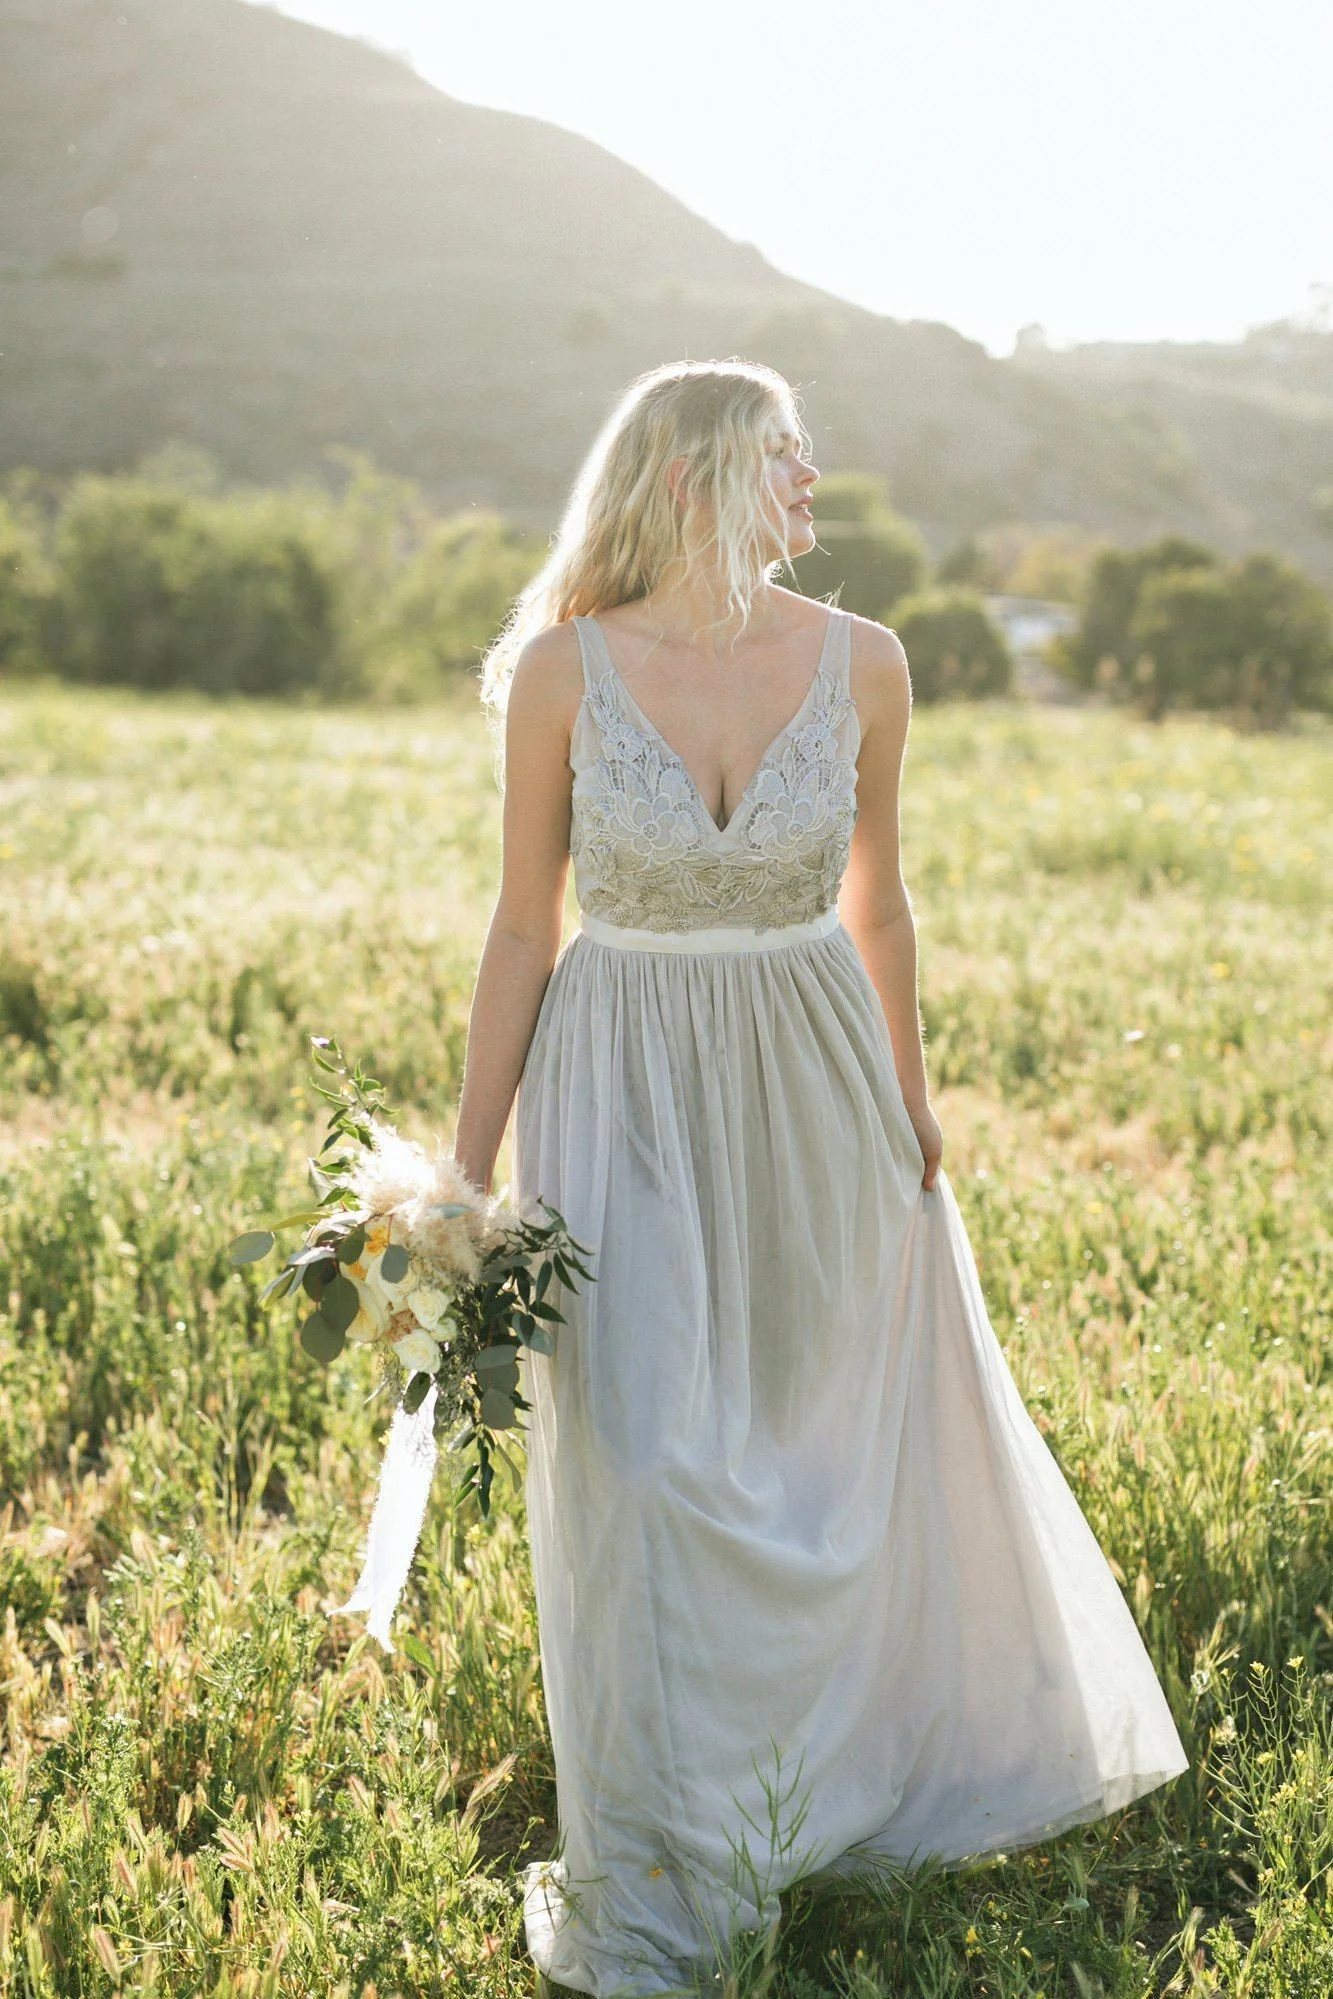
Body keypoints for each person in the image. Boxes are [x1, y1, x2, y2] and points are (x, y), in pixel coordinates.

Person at [455, 358, 1188, 1997]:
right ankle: (662, 1849)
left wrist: (910, 1105)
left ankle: (811, 1792)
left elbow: (881, 907)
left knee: (806, 1450)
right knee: (647, 1461)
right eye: (786, 458)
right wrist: (463, 1164)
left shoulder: (867, 663)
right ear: (694, 477)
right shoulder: (559, 674)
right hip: (619, 1074)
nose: (813, 484)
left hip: (814, 1077)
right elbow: (522, 925)